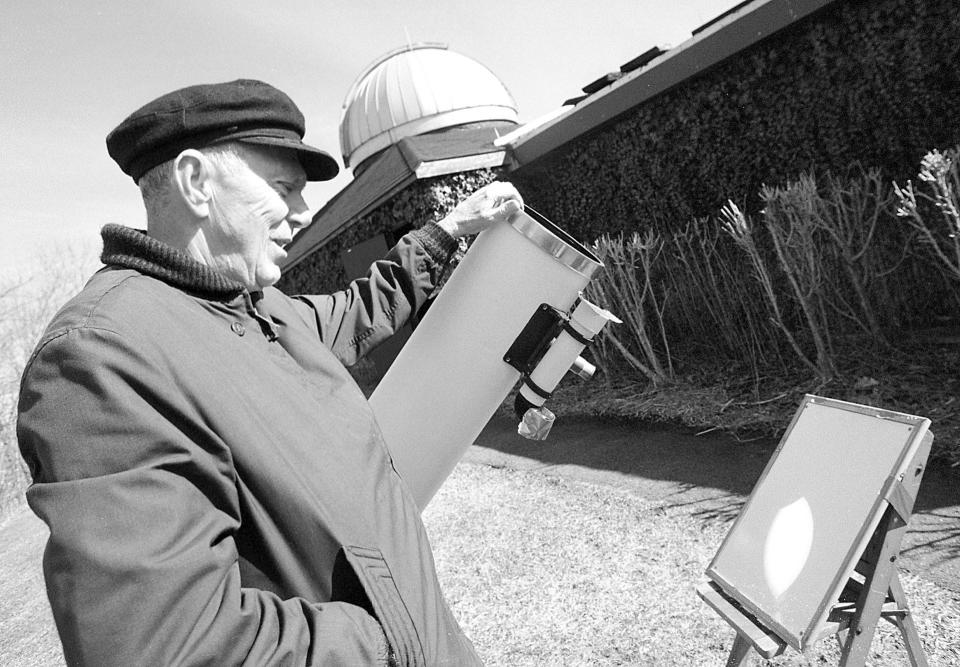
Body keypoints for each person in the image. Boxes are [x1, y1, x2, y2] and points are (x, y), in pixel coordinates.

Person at [17, 78, 523, 666]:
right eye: (285, 187)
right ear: (195, 182)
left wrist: (448, 231)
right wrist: (389, 643)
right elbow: (166, 646)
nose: (302, 212)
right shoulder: (102, 356)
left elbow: (355, 310)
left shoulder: (258, 305)